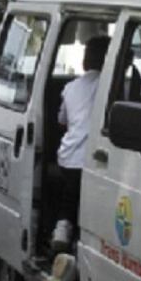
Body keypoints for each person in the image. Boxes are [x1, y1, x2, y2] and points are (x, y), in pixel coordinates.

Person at [49, 36, 110, 253]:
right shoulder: (111, 86)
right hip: (94, 159)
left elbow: (62, 120)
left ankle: (62, 229)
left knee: (70, 194)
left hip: (68, 155)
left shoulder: (70, 87)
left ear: (86, 60)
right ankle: (78, 242)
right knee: (89, 201)